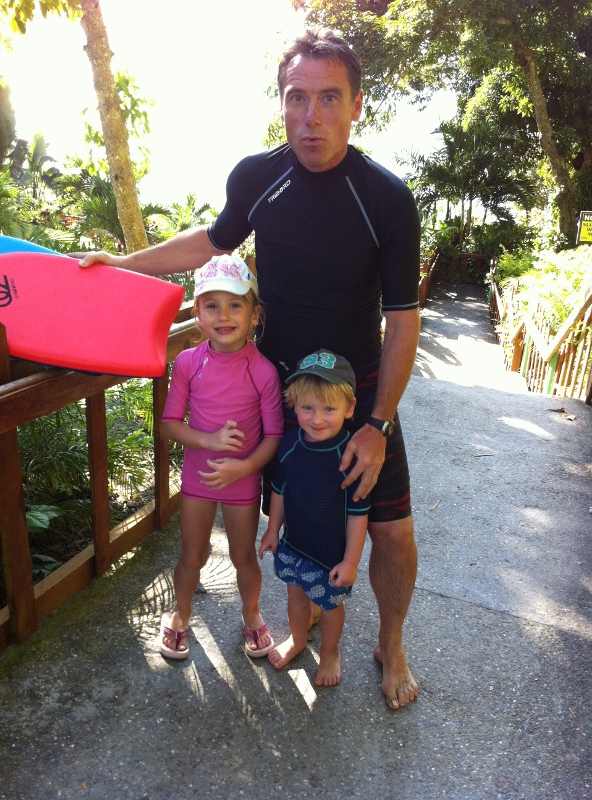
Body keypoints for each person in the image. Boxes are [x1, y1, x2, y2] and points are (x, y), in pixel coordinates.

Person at [77, 28, 421, 709]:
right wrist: (123, 265)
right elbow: (212, 241)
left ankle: (392, 642)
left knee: (391, 531)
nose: (311, 116)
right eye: (297, 97)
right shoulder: (259, 177)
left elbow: (403, 320)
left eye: (329, 98)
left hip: (357, 395)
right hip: (284, 395)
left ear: (357, 105)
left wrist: (378, 422)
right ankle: (306, 618)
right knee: (297, 520)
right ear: (282, 102)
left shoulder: (385, 198)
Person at [158, 254, 284, 659]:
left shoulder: (263, 371)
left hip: (242, 481)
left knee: (243, 557)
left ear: (255, 315)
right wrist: (210, 442)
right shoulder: (187, 363)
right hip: (198, 480)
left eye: (235, 305)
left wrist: (244, 466)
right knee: (191, 555)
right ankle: (181, 612)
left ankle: (251, 613)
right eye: (212, 305)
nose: (224, 316)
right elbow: (169, 424)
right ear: (197, 314)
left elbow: (274, 436)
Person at [258, 349, 370, 687]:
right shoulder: (290, 445)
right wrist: (272, 531)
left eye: (329, 409)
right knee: (295, 597)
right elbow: (279, 490)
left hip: (329, 558)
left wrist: (351, 562)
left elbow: (358, 515)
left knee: (331, 607)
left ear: (349, 408)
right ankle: (297, 639)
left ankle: (330, 651)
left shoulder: (350, 457)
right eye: (307, 407)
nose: (317, 419)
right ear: (294, 405)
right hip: (294, 546)